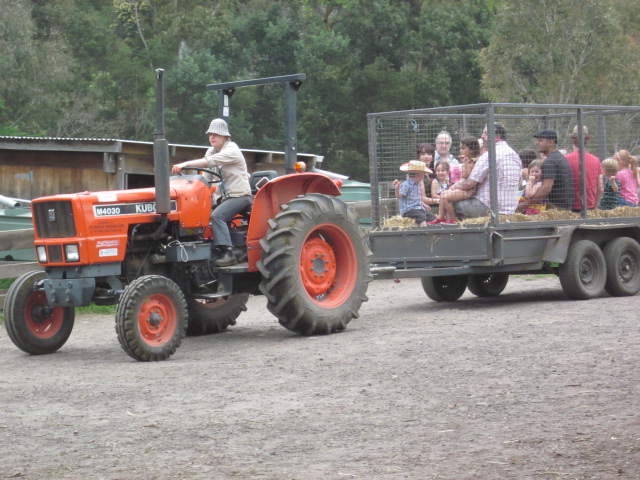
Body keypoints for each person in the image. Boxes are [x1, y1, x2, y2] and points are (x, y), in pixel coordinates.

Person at [172, 118, 252, 267]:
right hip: (224, 198)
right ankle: (211, 250)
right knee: (204, 217)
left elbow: (209, 162)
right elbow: (205, 179)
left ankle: (228, 253)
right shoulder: (211, 151)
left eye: (216, 134)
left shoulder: (232, 150)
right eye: (210, 134)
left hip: (240, 195)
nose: (212, 137)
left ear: (225, 136)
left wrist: (185, 164)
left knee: (217, 216)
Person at [444, 123, 521, 220]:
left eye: (485, 133)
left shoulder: (489, 155)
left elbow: (469, 183)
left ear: (496, 137)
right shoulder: (515, 155)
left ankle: (453, 228)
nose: (482, 136)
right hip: (510, 210)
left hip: (488, 208)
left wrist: (453, 187)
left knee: (450, 202)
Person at [428, 136, 481, 224]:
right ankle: (440, 217)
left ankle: (453, 219)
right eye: (461, 148)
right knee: (443, 194)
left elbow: (465, 174)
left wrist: (464, 162)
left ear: (471, 150)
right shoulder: (468, 160)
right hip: (462, 189)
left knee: (445, 197)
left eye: (463, 148)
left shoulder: (472, 162)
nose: (461, 150)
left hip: (468, 191)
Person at [519, 129, 574, 211]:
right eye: (537, 140)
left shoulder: (550, 161)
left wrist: (525, 204)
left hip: (556, 208)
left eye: (540, 140)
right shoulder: (558, 157)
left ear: (551, 142)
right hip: (564, 206)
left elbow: (546, 188)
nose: (537, 143)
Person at [564, 126, 604, 212]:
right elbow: (601, 188)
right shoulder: (596, 160)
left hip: (569, 207)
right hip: (589, 206)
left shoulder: (565, 159)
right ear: (587, 141)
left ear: (572, 140)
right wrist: (594, 206)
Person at [393, 160, 437, 226]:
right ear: (418, 174)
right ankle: (424, 232)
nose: (424, 176)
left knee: (432, 218)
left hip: (418, 208)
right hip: (408, 210)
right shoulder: (406, 184)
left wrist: (423, 204)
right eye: (423, 174)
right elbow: (399, 196)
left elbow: (414, 198)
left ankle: (432, 232)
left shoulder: (417, 184)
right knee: (422, 217)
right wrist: (397, 189)